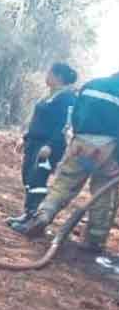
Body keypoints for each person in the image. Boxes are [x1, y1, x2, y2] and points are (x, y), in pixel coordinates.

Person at [15, 70, 119, 252]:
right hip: (109, 148)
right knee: (102, 195)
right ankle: (94, 240)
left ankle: (43, 215)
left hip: (81, 143)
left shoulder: (92, 84)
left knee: (64, 184)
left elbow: (75, 115)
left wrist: (77, 138)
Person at [7, 63, 77, 231]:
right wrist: (25, 138)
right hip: (34, 143)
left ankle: (35, 221)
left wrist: (51, 145)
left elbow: (64, 125)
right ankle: (28, 213)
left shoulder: (67, 97)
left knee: (37, 180)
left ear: (58, 76)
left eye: (49, 73)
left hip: (48, 146)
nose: (46, 76)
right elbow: (38, 121)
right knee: (28, 178)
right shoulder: (48, 96)